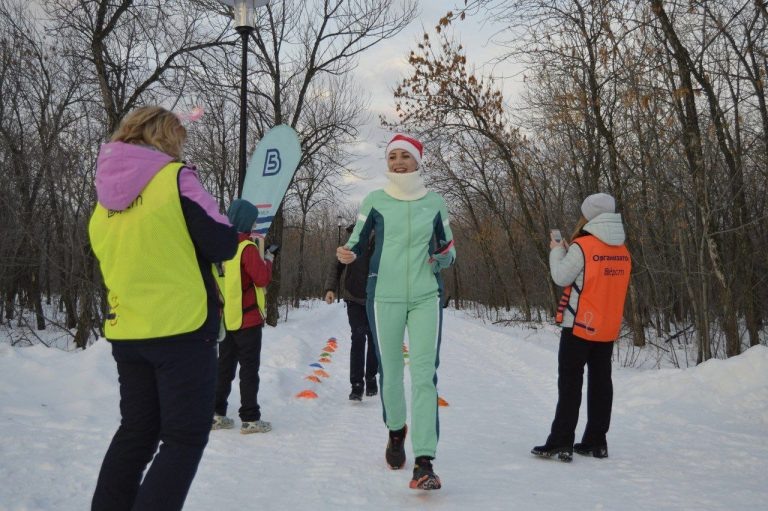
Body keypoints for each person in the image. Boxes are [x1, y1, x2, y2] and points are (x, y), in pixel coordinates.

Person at [88, 106, 238, 510]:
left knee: (136, 433)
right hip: (181, 329)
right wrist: (233, 223)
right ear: (165, 136)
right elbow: (222, 243)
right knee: (184, 438)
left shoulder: (104, 200)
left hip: (128, 331)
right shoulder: (176, 178)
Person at [336, 134, 455, 491]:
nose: (399, 163)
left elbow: (450, 251)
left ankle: (424, 461)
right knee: (389, 370)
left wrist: (443, 258)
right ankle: (395, 431)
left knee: (423, 374)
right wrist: (347, 253)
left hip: (424, 295)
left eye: (406, 157)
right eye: (393, 157)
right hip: (382, 296)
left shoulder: (434, 202)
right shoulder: (375, 200)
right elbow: (356, 240)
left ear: (418, 161)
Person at [532, 192, 631, 462]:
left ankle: (561, 442)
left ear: (589, 215)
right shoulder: (622, 249)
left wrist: (556, 252)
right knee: (601, 383)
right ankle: (596, 442)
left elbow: (561, 276)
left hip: (578, 325)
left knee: (570, 384)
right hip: (608, 327)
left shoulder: (584, 246)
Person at [212, 199, 274, 434]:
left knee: (224, 368)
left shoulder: (221, 247)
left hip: (227, 318)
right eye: (253, 219)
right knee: (249, 369)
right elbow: (261, 279)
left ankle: (216, 414)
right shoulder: (246, 247)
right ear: (247, 221)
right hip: (248, 320)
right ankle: (250, 418)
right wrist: (268, 260)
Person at [324, 223, 379, 401]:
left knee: (374, 339)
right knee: (358, 336)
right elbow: (335, 265)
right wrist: (330, 288)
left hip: (376, 298)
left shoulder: (384, 239)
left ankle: (371, 377)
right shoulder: (351, 241)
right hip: (354, 297)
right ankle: (356, 385)